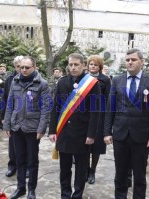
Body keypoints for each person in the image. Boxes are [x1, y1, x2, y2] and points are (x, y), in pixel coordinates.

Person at [104, 48, 149, 199]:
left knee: (140, 175)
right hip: (120, 134)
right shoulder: (117, 80)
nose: (130, 62)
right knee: (120, 173)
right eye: (128, 60)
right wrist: (107, 132)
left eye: (133, 60)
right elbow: (110, 108)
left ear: (142, 62)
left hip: (141, 135)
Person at [49, 53, 100, 199]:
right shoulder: (62, 82)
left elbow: (95, 112)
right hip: (64, 133)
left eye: (76, 64)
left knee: (81, 169)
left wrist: (91, 135)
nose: (73, 67)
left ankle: (77, 195)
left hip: (82, 134)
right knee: (64, 168)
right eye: (70, 64)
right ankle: (65, 195)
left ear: (83, 66)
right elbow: (56, 108)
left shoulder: (92, 84)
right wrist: (52, 130)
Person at [3, 56, 50, 199]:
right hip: (17, 127)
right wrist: (7, 124)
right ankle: (20, 187)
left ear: (34, 68)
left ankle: (31, 190)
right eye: (21, 67)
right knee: (19, 159)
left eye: (27, 67)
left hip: (32, 129)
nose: (23, 70)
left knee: (32, 161)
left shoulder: (42, 84)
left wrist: (41, 129)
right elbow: (10, 103)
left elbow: (46, 108)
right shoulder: (15, 81)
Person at [86, 55, 111, 184]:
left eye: (95, 65)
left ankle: (92, 170)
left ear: (100, 66)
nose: (93, 66)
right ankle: (85, 169)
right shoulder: (83, 78)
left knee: (96, 145)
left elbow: (108, 99)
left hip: (99, 116)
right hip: (84, 115)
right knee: (84, 144)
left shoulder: (105, 80)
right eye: (91, 64)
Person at [2, 56, 23, 178]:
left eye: (23, 66)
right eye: (18, 66)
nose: (21, 69)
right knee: (12, 143)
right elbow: (4, 99)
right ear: (15, 66)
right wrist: (3, 117)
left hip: (25, 115)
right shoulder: (9, 79)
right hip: (11, 115)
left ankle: (24, 168)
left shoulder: (30, 78)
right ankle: (12, 166)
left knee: (25, 143)